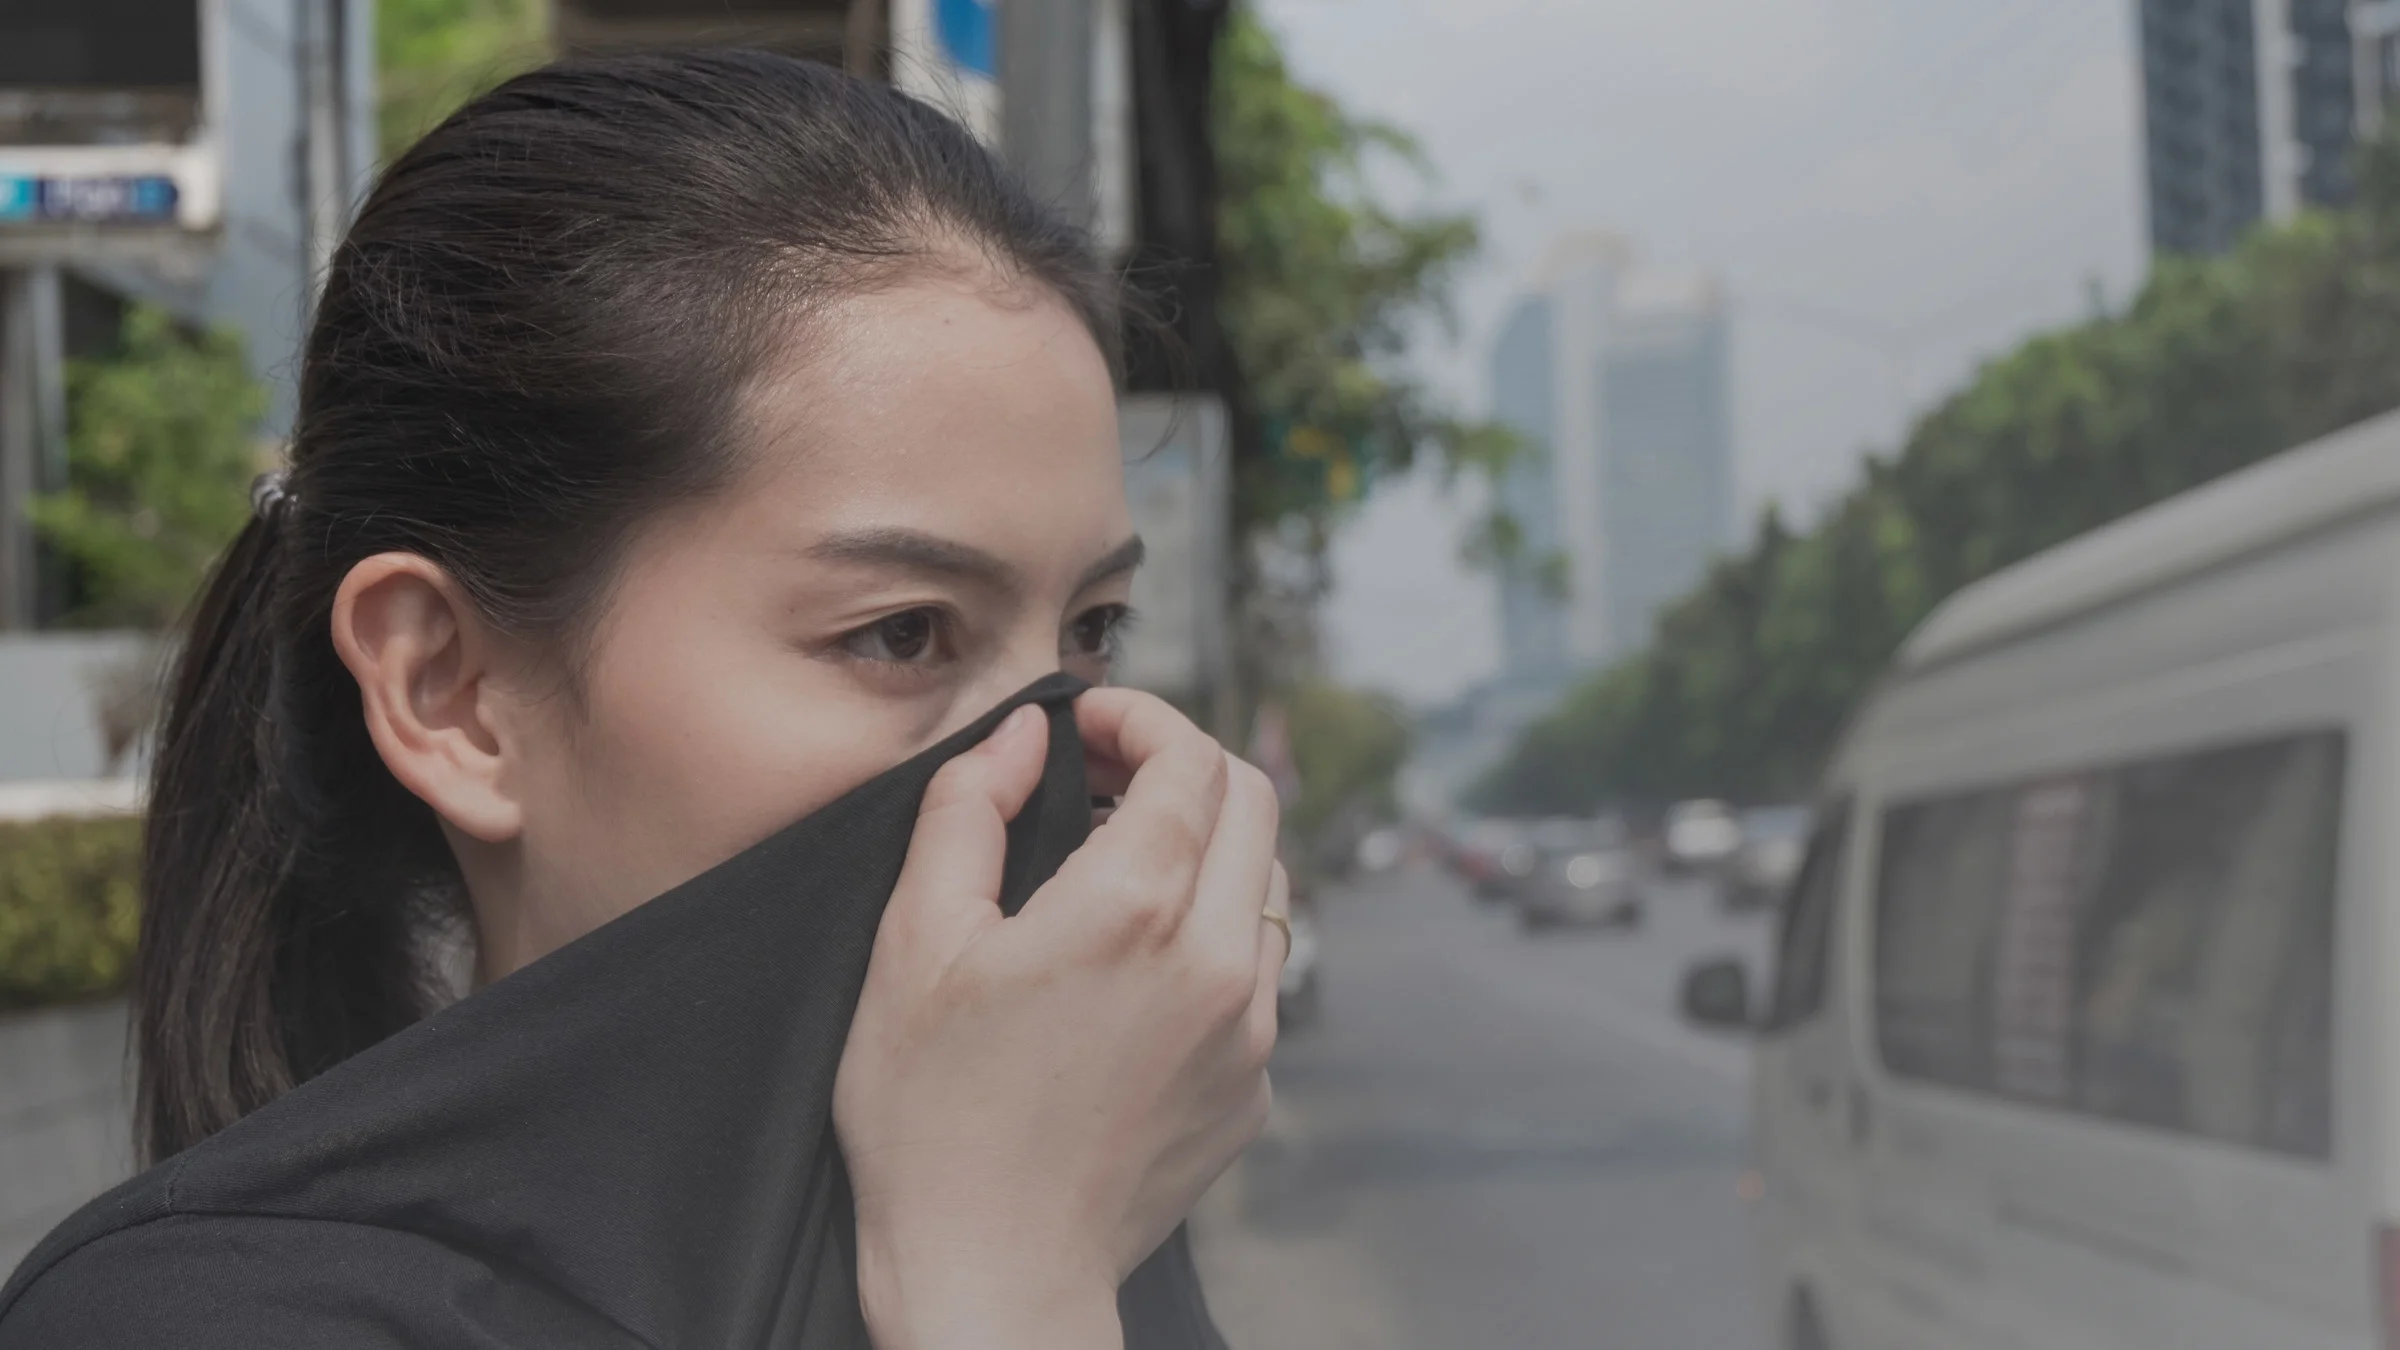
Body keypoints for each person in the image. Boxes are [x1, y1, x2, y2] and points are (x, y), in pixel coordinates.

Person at [0, 49, 1287, 1350]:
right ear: (450, 691)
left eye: (1088, 631)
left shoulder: (1090, 1212)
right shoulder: (194, 1319)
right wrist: (1003, 1284)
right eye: (901, 632)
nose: (1049, 762)